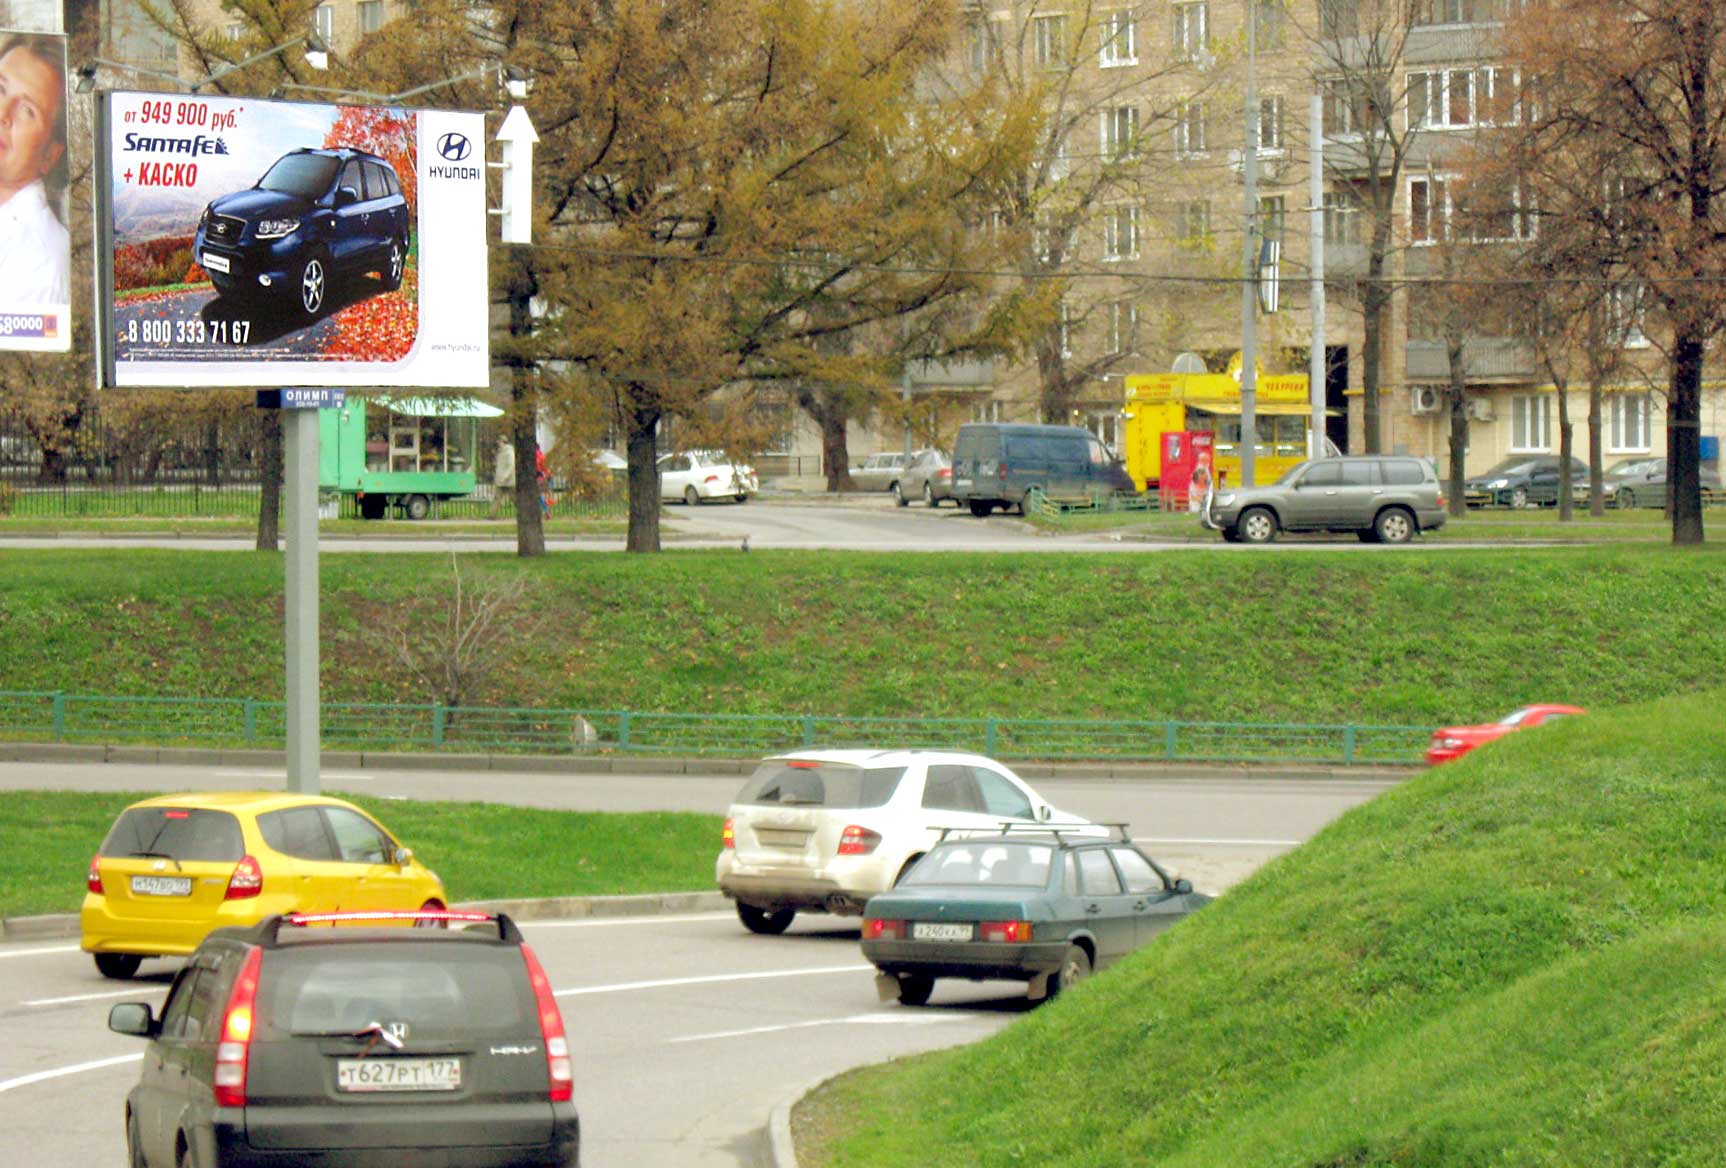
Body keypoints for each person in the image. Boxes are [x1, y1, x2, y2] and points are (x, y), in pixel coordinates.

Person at [0, 33, 70, 307]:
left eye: (27, 110)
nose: (3, 112)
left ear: (50, 155)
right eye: (1, 89)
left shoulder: (41, 263)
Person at [490, 436, 515, 518]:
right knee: (497, 498)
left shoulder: (509, 452)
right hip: (500, 480)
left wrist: (505, 476)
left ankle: (524, 513)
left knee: (514, 498)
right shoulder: (500, 452)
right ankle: (492, 515)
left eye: (499, 441)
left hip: (508, 481)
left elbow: (511, 465)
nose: (498, 443)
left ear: (503, 442)